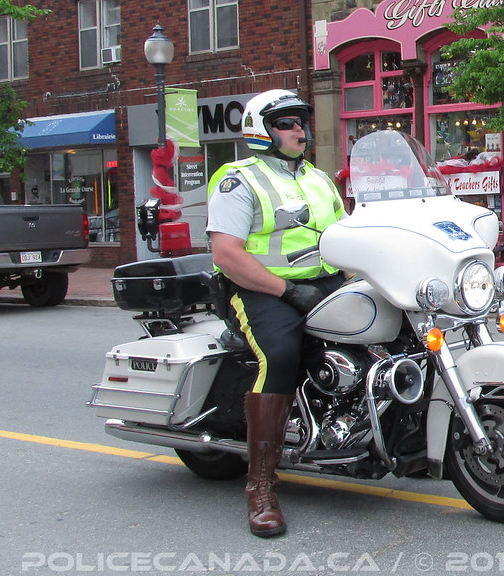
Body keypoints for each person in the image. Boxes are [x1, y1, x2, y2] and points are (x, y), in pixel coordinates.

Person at [206, 89, 347, 538]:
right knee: (281, 356)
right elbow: (227, 254)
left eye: (301, 122)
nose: (299, 130)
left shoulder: (320, 179)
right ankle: (261, 487)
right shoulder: (238, 179)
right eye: (287, 123)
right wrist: (287, 290)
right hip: (258, 289)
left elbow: (348, 235)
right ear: (262, 130)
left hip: (322, 282)